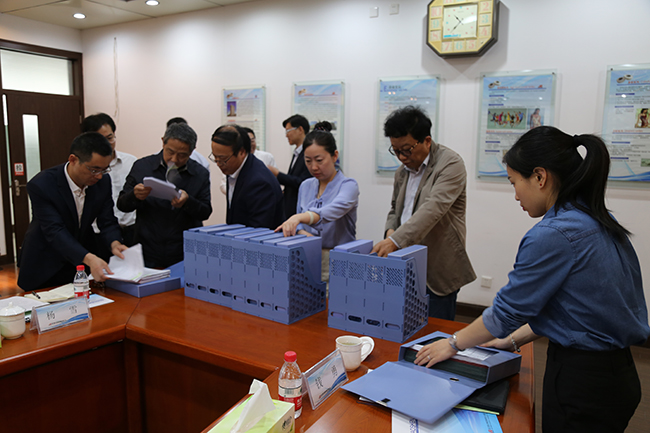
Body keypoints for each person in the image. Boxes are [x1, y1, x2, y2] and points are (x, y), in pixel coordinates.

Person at [414, 126, 650, 433]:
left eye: (514, 182)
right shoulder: (596, 218)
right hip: (617, 375)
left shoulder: (554, 234)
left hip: (584, 383)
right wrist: (511, 340)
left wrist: (452, 344)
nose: (515, 195)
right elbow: (576, 308)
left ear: (540, 177)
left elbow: (506, 312)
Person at [371, 106, 476, 320]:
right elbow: (395, 209)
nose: (401, 157)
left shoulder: (450, 164)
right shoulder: (402, 172)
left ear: (426, 141)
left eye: (406, 149)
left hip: (437, 266)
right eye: (395, 150)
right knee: (402, 325)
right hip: (404, 264)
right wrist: (391, 231)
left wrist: (394, 241)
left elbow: (433, 208)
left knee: (435, 332)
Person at [17, 132, 127, 291]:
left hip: (79, 265)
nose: (99, 176)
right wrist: (89, 258)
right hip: (46, 262)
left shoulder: (102, 182)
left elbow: (107, 220)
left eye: (104, 169)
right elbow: (54, 230)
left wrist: (115, 243)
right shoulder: (42, 184)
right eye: (94, 169)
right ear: (73, 160)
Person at [118, 122, 211, 268]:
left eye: (182, 155)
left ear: (192, 151)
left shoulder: (200, 173)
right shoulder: (142, 166)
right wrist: (134, 196)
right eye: (170, 152)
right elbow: (122, 205)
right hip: (147, 250)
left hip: (184, 251)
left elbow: (205, 212)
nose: (174, 159)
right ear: (163, 142)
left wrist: (188, 202)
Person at [276, 121, 358, 282]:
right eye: (308, 161)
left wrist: (300, 218)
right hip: (307, 255)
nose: (313, 167)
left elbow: (331, 211)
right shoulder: (306, 185)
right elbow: (299, 222)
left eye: (319, 160)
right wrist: (303, 233)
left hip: (338, 260)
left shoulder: (348, 185)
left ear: (334, 156)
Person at [81, 113, 137, 249]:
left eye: (110, 138)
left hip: (131, 230)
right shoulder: (84, 168)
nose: (106, 144)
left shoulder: (131, 162)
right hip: (99, 232)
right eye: (100, 139)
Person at [211, 124, 283, 229]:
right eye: (215, 157)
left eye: (222, 159)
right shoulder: (235, 169)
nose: (218, 163)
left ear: (242, 152)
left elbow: (259, 229)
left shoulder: (259, 182)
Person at [268, 114, 313, 218]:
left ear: (300, 129)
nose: (286, 135)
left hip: (300, 209)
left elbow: (303, 182)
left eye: (288, 131)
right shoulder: (297, 152)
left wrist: (278, 174)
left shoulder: (308, 153)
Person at [219, 127, 276, 195]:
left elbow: (275, 181)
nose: (250, 145)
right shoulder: (233, 160)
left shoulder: (266, 157)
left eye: (252, 141)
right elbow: (224, 184)